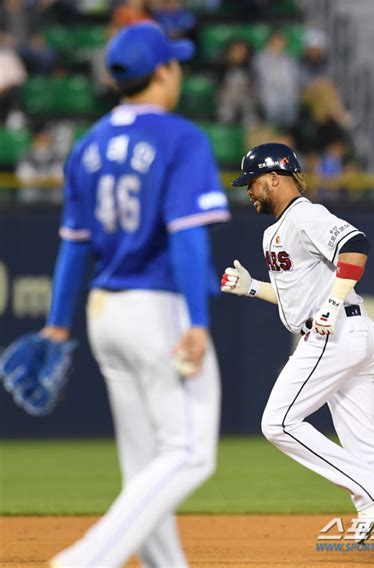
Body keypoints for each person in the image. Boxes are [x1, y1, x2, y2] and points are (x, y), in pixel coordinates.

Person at [0, 21, 230, 567]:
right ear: (163, 72)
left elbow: (74, 247)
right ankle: (83, 560)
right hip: (159, 310)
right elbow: (187, 235)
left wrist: (58, 324)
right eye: (174, 62)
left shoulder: (88, 145)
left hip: (105, 313)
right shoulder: (180, 137)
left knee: (144, 465)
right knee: (192, 454)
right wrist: (197, 321)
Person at [220, 143, 374, 565]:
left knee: (278, 422)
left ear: (275, 178)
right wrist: (250, 287)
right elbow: (296, 304)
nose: (249, 191)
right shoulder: (276, 230)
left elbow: (357, 245)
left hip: (335, 332)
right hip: (347, 332)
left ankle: (367, 488)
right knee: (364, 444)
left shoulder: (306, 214)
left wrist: (330, 304)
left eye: (253, 182)